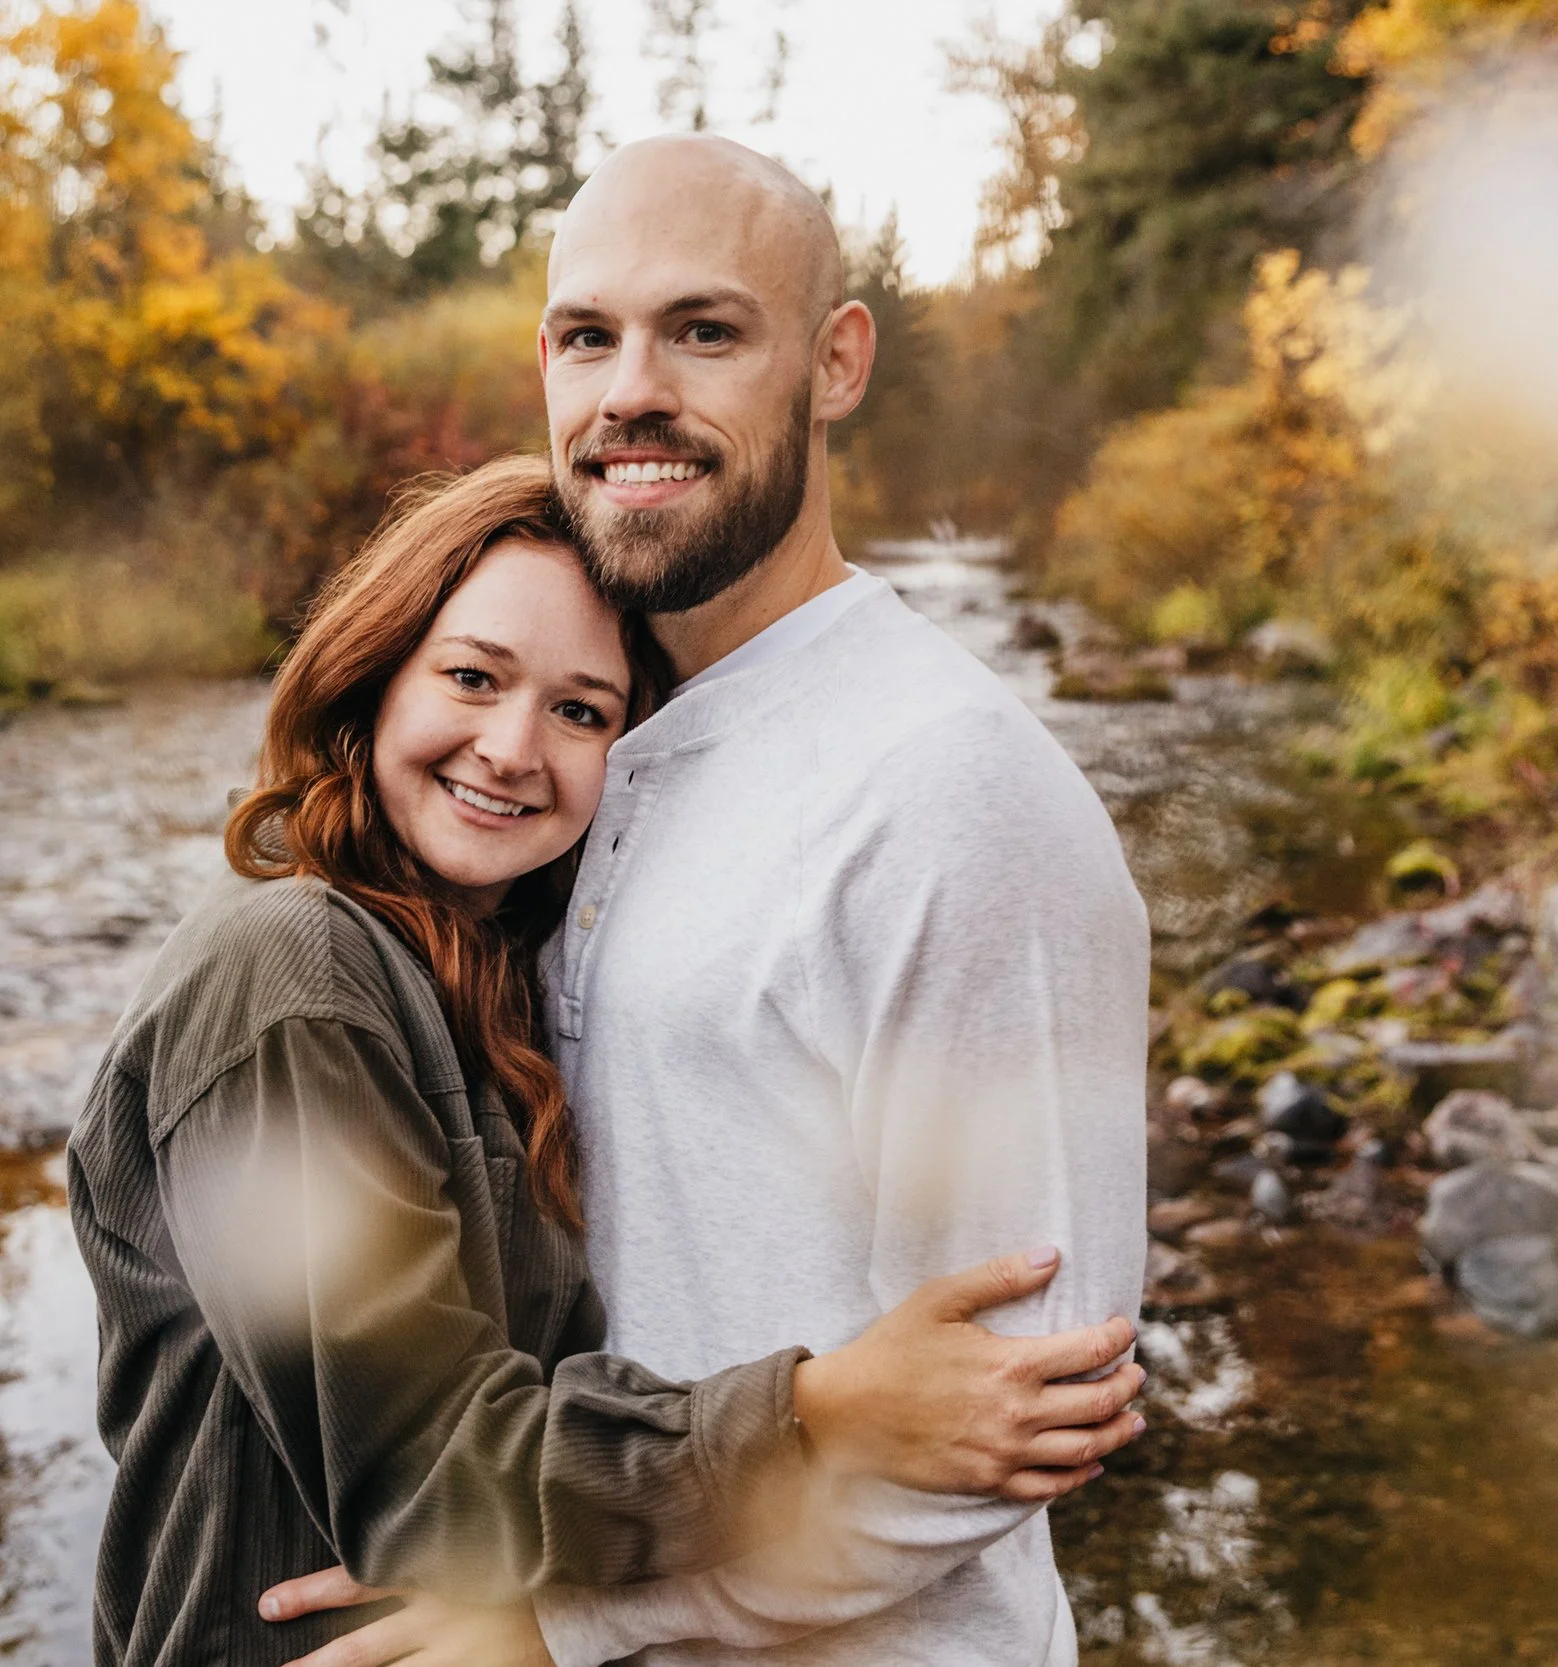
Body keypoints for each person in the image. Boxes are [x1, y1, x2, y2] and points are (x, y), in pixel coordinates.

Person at [267, 136, 1151, 1667]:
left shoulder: (950, 789)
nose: (632, 394)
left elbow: (1021, 1410)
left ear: (835, 362)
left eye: (707, 330)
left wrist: (556, 1618)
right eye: (590, 335)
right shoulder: (595, 737)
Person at [65, 454, 1148, 1667]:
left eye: (581, 709)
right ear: (371, 675)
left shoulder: (475, 964)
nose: (513, 747)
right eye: (471, 677)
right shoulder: (291, 973)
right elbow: (428, 1478)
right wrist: (818, 1411)